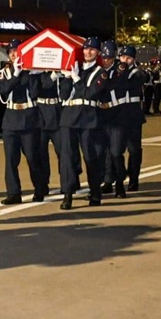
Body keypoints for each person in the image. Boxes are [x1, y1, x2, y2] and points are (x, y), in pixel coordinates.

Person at [57, 37, 110, 209]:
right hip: (69, 117)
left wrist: (76, 79)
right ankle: (68, 194)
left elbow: (90, 93)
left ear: (98, 53)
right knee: (67, 158)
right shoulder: (75, 68)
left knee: (90, 157)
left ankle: (95, 191)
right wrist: (66, 78)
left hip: (88, 118)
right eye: (86, 49)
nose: (88, 52)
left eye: (92, 50)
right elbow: (64, 96)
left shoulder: (101, 72)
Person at [0, 42, 46, 204]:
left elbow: (35, 92)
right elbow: (3, 92)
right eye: (10, 52)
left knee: (32, 157)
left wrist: (32, 74)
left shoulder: (31, 71)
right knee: (10, 159)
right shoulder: (4, 72)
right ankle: (13, 193)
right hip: (11, 118)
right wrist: (16, 74)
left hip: (29, 117)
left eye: (16, 51)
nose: (13, 54)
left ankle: (39, 188)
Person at [106, 45, 147, 195]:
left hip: (133, 116)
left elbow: (130, 84)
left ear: (134, 59)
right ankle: (113, 179)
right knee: (115, 150)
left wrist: (120, 74)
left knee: (134, 150)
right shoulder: (115, 72)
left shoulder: (137, 73)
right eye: (122, 57)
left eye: (128, 58)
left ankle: (134, 179)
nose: (125, 60)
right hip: (118, 115)